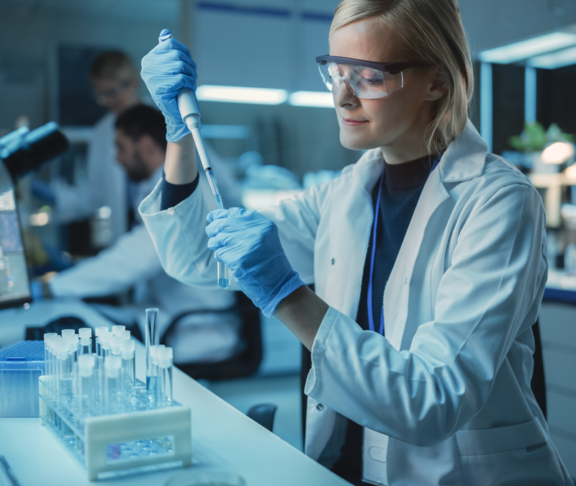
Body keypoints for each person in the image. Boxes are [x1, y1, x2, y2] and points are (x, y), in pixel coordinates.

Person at [138, 1, 574, 485]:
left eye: (368, 76)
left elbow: (434, 400)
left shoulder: (499, 202)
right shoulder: (343, 194)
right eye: (336, 71)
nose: (342, 97)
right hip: (343, 468)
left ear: (437, 82)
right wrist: (178, 135)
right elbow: (201, 258)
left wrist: (287, 296)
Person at [40, 104, 240, 364]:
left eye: (121, 147)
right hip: (168, 316)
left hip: (196, 329)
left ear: (146, 145)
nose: (116, 158)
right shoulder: (162, 188)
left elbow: (131, 262)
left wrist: (50, 287)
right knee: (81, 325)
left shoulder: (179, 195)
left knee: (83, 346)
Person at [33, 51, 141, 244]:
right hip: (125, 241)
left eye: (112, 92)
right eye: (100, 94)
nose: (107, 101)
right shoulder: (102, 133)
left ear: (133, 82)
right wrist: (53, 196)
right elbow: (94, 193)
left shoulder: (167, 122)